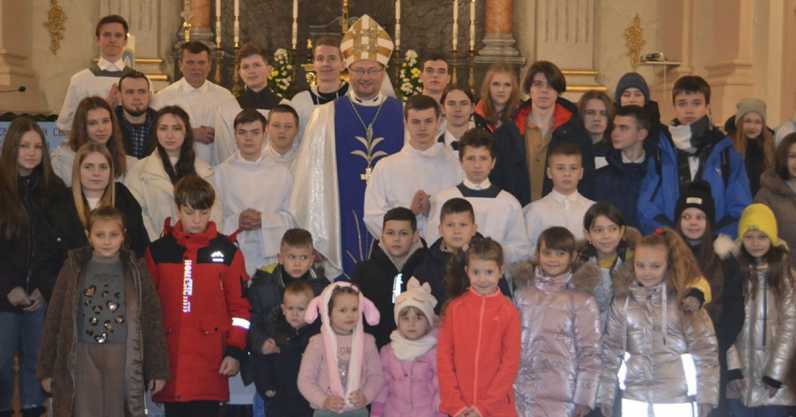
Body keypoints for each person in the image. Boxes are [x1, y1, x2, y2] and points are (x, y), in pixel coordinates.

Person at [290, 15, 405, 278]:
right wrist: (315, 232)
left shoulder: (403, 115)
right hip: (339, 222)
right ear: (347, 71)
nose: (365, 77)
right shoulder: (324, 116)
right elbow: (309, 181)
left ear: (383, 73)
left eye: (372, 70)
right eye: (358, 70)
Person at [37, 207, 169, 417]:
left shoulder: (136, 269)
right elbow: (54, 317)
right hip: (82, 353)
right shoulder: (73, 268)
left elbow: (152, 320)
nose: (107, 241)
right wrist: (46, 368)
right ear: (88, 236)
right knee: (84, 410)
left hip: (123, 355)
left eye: (113, 235)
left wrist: (157, 369)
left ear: (123, 236)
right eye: (100, 235)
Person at [144, 175, 250, 417]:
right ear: (178, 209)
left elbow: (240, 309)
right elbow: (147, 311)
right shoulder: (158, 251)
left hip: (212, 361)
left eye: (203, 212)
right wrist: (152, 361)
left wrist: (235, 350)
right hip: (169, 361)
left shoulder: (228, 252)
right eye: (189, 212)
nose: (197, 220)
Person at [598, 227, 719, 417]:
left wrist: (707, 396)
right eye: (640, 265)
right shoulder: (622, 304)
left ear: (668, 265)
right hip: (634, 400)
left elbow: (706, 351)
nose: (647, 272)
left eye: (655, 266)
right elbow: (611, 351)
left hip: (678, 400)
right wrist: (604, 395)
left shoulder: (686, 303)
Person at [0, 116, 66, 417]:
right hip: (4, 298)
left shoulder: (55, 190)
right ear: (11, 147)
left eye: (38, 146)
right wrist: (7, 287)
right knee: (2, 365)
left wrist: (44, 287)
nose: (31, 152)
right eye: (24, 145)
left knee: (37, 366)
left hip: (40, 298)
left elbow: (64, 248)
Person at [637, 75, 752, 237]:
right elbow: (646, 205)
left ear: (707, 107)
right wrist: (669, 235)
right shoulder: (660, 150)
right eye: (682, 103)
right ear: (674, 107)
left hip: (715, 243)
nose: (689, 110)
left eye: (696, 103)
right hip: (670, 241)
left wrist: (717, 238)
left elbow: (740, 205)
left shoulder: (726, 152)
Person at [513, 226, 601, 417]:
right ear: (537, 254)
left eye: (560, 254)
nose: (553, 259)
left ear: (572, 256)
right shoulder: (522, 296)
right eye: (547, 253)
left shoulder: (583, 301)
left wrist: (584, 397)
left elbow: (590, 353)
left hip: (564, 397)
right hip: (521, 394)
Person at [674, 181, 744, 417]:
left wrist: (717, 342)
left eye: (699, 217)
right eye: (686, 216)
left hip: (713, 353)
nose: (693, 223)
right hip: (674, 354)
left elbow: (735, 306)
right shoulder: (666, 253)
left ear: (709, 221)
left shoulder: (724, 256)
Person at [437, 238, 521, 417]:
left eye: (489, 272)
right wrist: (455, 405)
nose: (482, 279)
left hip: (497, 409)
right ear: (467, 271)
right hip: (460, 409)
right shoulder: (455, 308)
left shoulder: (509, 312)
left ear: (501, 271)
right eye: (476, 272)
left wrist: (484, 407)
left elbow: (510, 365)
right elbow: (444, 359)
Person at [726, 203, 796, 417]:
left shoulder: (785, 275)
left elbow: (790, 327)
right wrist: (733, 368)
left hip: (774, 382)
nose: (755, 243)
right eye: (749, 236)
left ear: (772, 238)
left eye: (762, 236)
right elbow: (726, 325)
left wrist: (776, 374)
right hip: (741, 379)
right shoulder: (733, 272)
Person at [492, 60, 595, 206]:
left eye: (550, 85)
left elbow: (587, 179)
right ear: (529, 89)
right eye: (538, 84)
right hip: (515, 209)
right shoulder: (508, 132)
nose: (544, 91)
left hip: (562, 211)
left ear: (558, 91)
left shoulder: (576, 132)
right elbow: (497, 177)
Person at [426, 128, 530, 266]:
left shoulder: (509, 203)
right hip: (451, 273)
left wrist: (489, 254)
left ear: (493, 162)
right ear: (461, 161)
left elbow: (521, 249)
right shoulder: (443, 199)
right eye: (471, 158)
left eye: (483, 158)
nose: (477, 165)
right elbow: (433, 242)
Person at [364, 95, 462, 238]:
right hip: (400, 249)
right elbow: (372, 217)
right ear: (405, 123)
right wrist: (409, 214)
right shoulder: (385, 167)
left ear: (439, 123)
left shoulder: (455, 165)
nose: (422, 128)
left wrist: (432, 211)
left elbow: (464, 214)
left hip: (443, 247)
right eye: (416, 122)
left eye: (428, 121)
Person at [213, 109, 294, 274]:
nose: (248, 138)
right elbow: (213, 217)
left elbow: (291, 217)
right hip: (232, 251)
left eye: (255, 132)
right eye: (242, 132)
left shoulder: (281, 172)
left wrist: (264, 220)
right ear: (235, 136)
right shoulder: (220, 173)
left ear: (265, 135)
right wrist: (237, 221)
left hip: (269, 256)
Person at [43, 143, 150, 267]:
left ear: (111, 171)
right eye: (88, 167)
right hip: (72, 277)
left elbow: (140, 248)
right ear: (78, 170)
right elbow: (48, 256)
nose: (96, 173)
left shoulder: (124, 198)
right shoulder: (60, 203)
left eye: (103, 167)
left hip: (121, 276)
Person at [125, 105, 221, 240]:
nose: (169, 135)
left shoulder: (204, 170)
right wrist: (158, 245)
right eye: (163, 128)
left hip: (200, 246)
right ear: (155, 132)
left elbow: (215, 213)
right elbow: (137, 215)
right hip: (157, 246)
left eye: (176, 128)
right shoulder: (139, 171)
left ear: (186, 132)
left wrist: (202, 243)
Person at [297, 282, 385, 417]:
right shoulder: (317, 343)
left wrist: (366, 395)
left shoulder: (367, 341)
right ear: (328, 313)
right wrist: (323, 400)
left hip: (358, 411)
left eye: (354, 309)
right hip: (325, 411)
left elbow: (376, 376)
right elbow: (305, 380)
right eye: (343, 310)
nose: (350, 315)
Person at [248, 228, 328, 368]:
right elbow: (252, 320)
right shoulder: (263, 286)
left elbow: (327, 324)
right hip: (271, 361)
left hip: (310, 361)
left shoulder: (322, 289)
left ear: (312, 260)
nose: (297, 263)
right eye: (292, 257)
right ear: (280, 258)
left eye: (303, 257)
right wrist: (260, 342)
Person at [152, 41, 238, 164]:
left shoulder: (225, 97)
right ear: (180, 64)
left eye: (201, 63)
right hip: (177, 167)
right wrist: (190, 133)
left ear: (209, 65)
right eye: (190, 62)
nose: (196, 68)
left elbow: (238, 131)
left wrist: (220, 133)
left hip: (217, 167)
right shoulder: (163, 97)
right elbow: (153, 133)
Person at [353, 207, 429, 348]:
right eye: (390, 233)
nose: (396, 239)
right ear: (382, 235)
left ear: (415, 236)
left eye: (403, 233)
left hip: (420, 351)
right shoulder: (363, 271)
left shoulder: (428, 269)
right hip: (375, 350)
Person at [371, 277, 442, 417]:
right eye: (405, 318)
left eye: (418, 318)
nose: (411, 323)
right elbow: (382, 386)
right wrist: (376, 412)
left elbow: (440, 388)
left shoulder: (435, 353)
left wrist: (441, 413)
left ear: (428, 321)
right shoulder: (388, 352)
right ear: (397, 322)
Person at [56, 15, 136, 133]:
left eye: (118, 35)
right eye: (107, 35)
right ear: (98, 40)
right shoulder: (80, 80)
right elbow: (65, 125)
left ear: (125, 41)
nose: (112, 40)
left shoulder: (140, 81)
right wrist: (105, 107)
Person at [252, 281, 321, 417]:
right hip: (279, 401)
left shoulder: (318, 336)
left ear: (312, 310)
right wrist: (267, 388)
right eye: (290, 308)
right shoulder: (273, 334)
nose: (295, 313)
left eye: (301, 309)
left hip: (309, 402)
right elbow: (261, 363)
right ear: (283, 309)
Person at [214, 43, 282, 163]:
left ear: (269, 70)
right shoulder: (227, 109)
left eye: (256, 65)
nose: (251, 71)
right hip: (236, 170)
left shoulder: (285, 108)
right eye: (245, 67)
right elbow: (223, 151)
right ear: (240, 73)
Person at [524, 142, 595, 252]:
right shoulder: (534, 210)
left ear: (581, 173)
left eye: (573, 168)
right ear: (549, 172)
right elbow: (527, 250)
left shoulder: (593, 209)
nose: (567, 174)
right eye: (560, 168)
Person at [412, 198, 476, 309]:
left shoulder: (486, 259)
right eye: (450, 225)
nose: (456, 231)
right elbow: (416, 304)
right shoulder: (427, 261)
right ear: (440, 229)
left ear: (474, 229)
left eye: (463, 225)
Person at [592, 105, 650, 228]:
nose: (615, 133)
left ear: (641, 134)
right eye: (614, 127)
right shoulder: (600, 177)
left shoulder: (659, 174)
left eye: (623, 128)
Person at [51, 96, 132, 184]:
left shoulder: (125, 161)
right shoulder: (61, 160)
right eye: (93, 123)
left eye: (105, 121)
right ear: (82, 127)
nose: (101, 128)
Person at [288, 36, 350, 144]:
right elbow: (294, 142)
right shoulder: (300, 101)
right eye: (320, 59)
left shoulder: (354, 97)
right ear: (314, 65)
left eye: (332, 58)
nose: (325, 64)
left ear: (343, 65)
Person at [755, 132, 796, 265]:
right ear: (783, 158)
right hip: (782, 269)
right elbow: (759, 239)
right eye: (792, 156)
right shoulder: (766, 195)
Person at [732, 98, 776, 196]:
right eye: (747, 121)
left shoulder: (770, 147)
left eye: (757, 122)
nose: (752, 126)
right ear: (740, 123)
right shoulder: (729, 147)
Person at [614, 71, 666, 153]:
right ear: (619, 101)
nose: (632, 99)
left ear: (645, 100)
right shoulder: (608, 130)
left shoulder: (661, 132)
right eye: (626, 95)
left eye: (637, 95)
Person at [116, 70, 157, 159]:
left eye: (142, 92)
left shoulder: (162, 122)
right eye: (130, 92)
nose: (136, 97)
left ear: (150, 95)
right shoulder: (108, 123)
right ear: (119, 96)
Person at [474, 64, 520, 133]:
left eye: (507, 85)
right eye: (496, 84)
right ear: (488, 87)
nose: (501, 90)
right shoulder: (474, 115)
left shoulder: (522, 115)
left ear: (513, 89)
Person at [439, 85, 479, 157]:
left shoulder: (486, 143)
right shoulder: (431, 144)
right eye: (451, 104)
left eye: (464, 104)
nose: (458, 109)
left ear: (472, 108)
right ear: (443, 108)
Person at [578, 90, 614, 170]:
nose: (597, 118)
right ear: (581, 115)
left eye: (603, 113)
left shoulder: (616, 150)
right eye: (590, 112)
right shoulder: (571, 148)